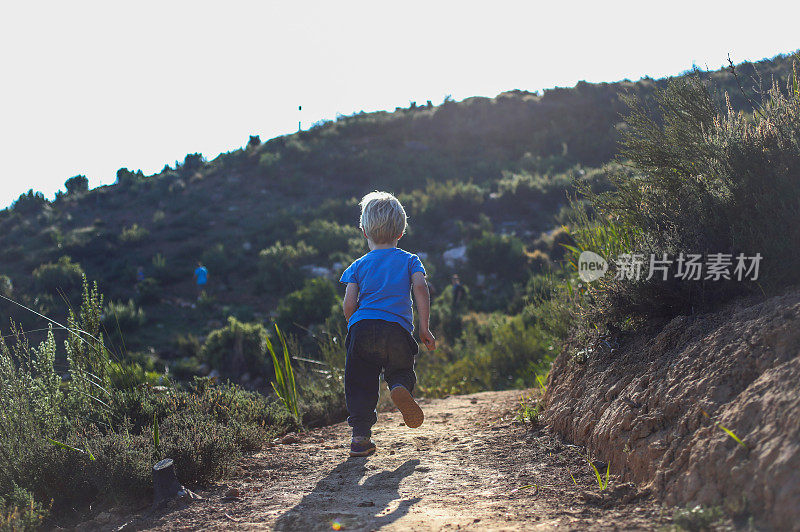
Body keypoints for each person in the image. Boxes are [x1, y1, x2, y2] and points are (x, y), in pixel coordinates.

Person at [340, 191, 436, 457]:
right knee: (400, 368)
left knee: (359, 382)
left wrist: (355, 325)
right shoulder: (409, 259)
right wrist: (424, 327)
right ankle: (398, 387)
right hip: (397, 329)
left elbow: (349, 304)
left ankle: (360, 437)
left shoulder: (357, 265)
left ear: (364, 232)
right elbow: (420, 288)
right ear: (401, 232)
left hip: (362, 327)